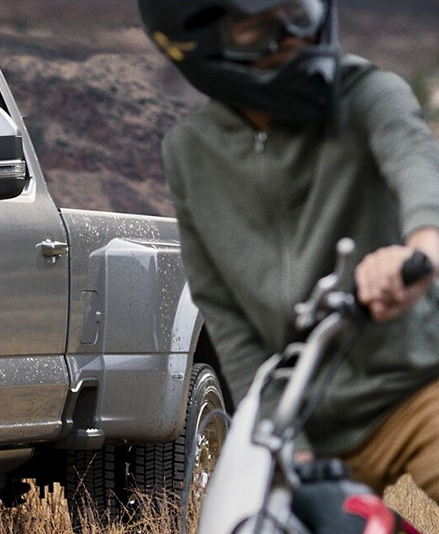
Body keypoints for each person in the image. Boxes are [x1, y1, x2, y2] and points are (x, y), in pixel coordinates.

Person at [138, 0, 439, 501]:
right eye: (260, 25)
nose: (296, 35)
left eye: (299, 13)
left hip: (417, 387)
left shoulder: (366, 93)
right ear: (201, 42)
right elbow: (228, 322)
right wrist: (290, 446)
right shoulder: (191, 155)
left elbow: (417, 167)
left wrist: (422, 251)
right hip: (307, 423)